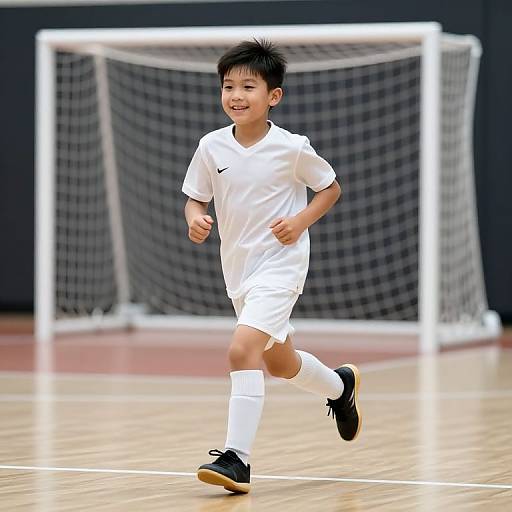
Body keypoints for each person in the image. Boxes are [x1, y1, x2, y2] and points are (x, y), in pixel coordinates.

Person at [182, 39, 362, 494]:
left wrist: (299, 222)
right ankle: (340, 388)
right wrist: (196, 220)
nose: (236, 95)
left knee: (241, 351)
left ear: (273, 96)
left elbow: (330, 188)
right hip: (238, 271)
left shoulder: (292, 147)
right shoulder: (211, 146)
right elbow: (195, 197)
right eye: (228, 86)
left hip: (281, 267)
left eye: (248, 86)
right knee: (280, 363)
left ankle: (236, 459)